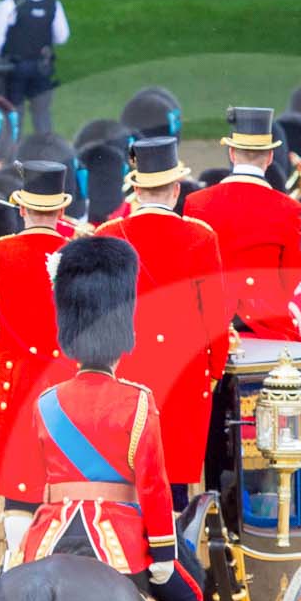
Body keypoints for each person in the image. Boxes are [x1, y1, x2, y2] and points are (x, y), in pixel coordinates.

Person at [16, 235, 226, 601]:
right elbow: (152, 485)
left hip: (48, 536)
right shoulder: (136, 401)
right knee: (189, 596)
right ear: (119, 332)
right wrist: (159, 551)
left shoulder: (46, 401)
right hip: (119, 541)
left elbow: (37, 475)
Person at [97, 140, 228, 494]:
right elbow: (215, 319)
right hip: (184, 374)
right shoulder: (200, 237)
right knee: (175, 484)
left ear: (136, 190)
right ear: (176, 190)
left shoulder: (108, 236)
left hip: (123, 371)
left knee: (123, 477)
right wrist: (213, 371)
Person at [0, 159, 76, 517]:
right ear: (62, 208)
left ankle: (17, 558)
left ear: (22, 207)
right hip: (72, 381)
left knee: (19, 487)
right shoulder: (81, 252)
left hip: (13, 380)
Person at [182, 108, 301, 338]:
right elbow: (292, 274)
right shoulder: (288, 208)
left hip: (209, 327)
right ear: (269, 158)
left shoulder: (197, 202)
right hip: (267, 325)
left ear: (231, 153)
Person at [0, 0, 70, 138]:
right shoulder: (52, 3)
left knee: (13, 113)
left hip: (15, 66)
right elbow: (62, 36)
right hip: (43, 66)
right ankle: (47, 154)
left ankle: (11, 154)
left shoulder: (9, 4)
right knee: (42, 113)